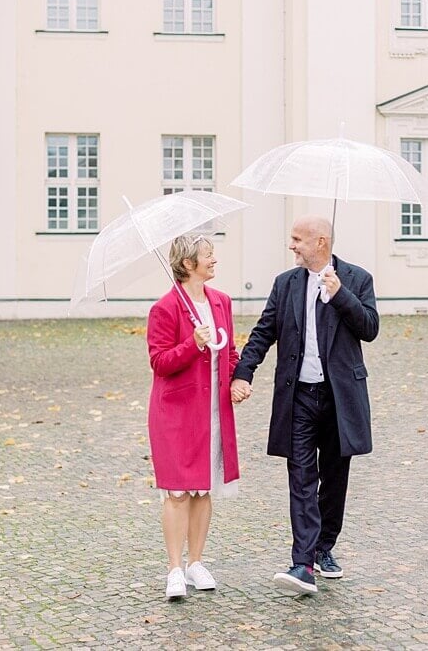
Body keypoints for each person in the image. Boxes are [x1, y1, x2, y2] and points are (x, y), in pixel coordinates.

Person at [230, 215, 379, 595]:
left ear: (321, 242)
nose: (292, 245)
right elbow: (265, 331)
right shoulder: (286, 283)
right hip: (298, 397)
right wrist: (243, 373)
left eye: (298, 239)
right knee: (300, 478)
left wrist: (340, 294)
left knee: (334, 479)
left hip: (340, 398)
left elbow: (370, 329)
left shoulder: (357, 279)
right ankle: (303, 563)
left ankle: (324, 546)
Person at [146, 233, 240, 600]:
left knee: (204, 489)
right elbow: (159, 363)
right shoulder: (165, 309)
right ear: (188, 264)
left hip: (214, 411)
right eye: (207, 255)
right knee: (178, 492)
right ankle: (174, 569)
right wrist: (192, 344)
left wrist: (236, 382)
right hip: (176, 413)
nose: (214, 260)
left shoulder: (222, 302)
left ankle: (196, 562)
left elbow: (229, 352)